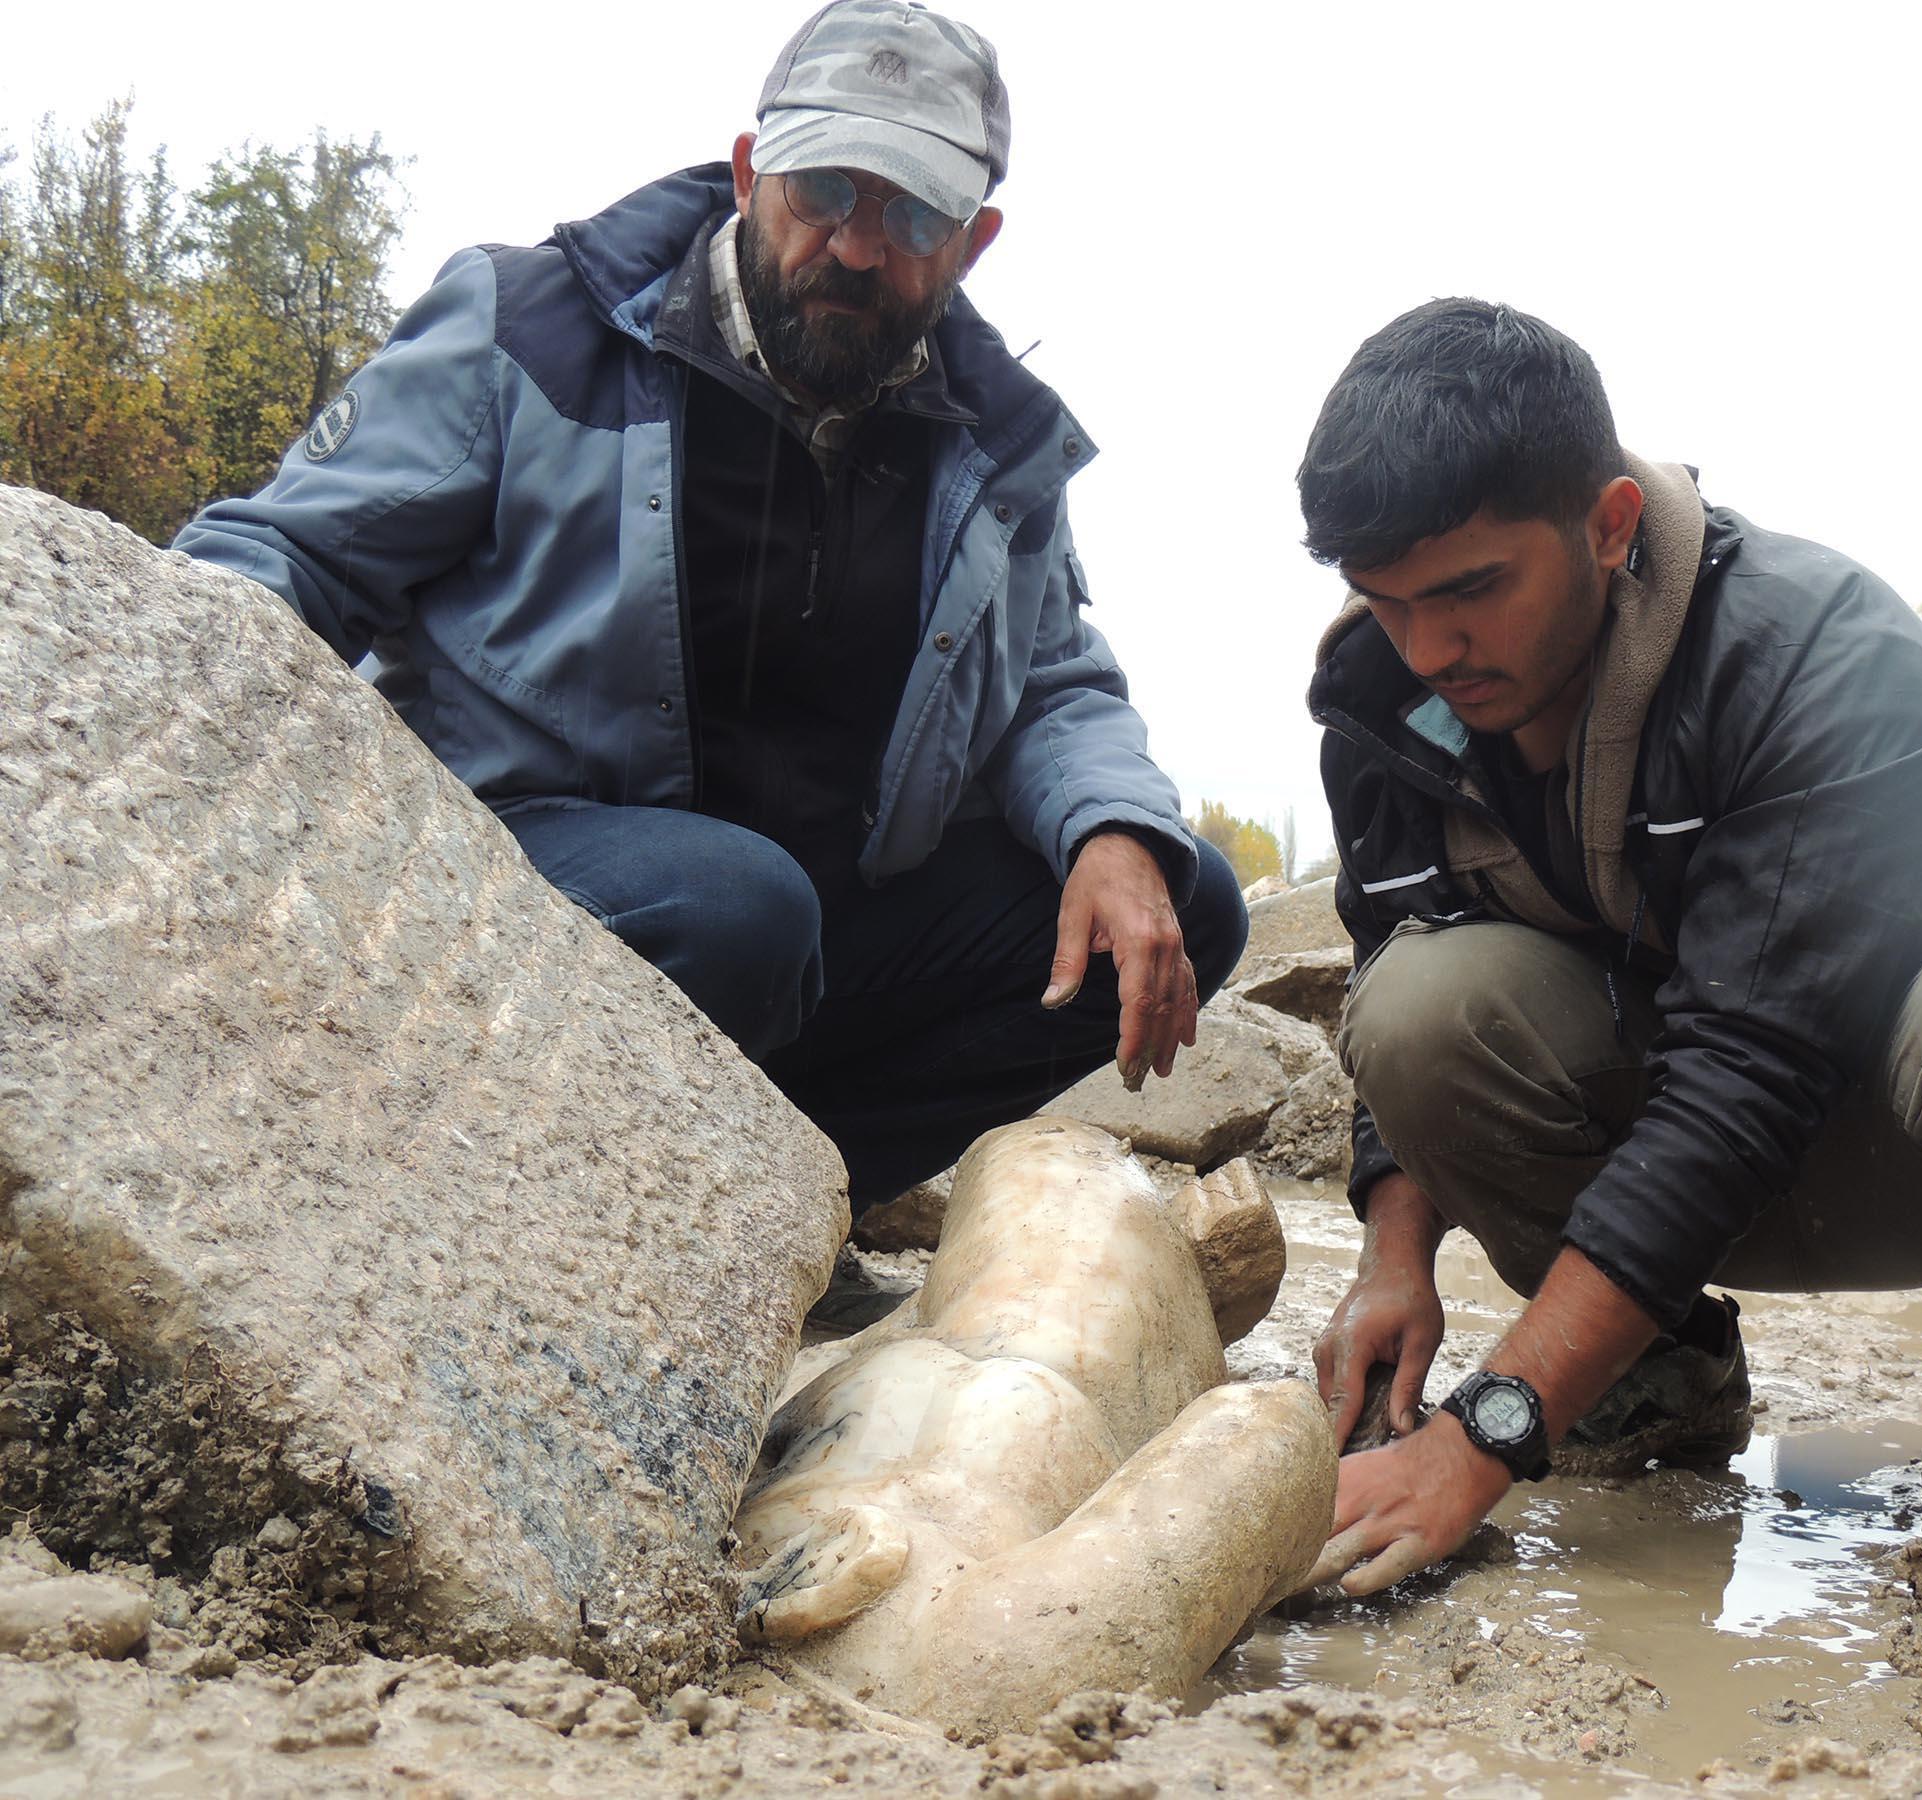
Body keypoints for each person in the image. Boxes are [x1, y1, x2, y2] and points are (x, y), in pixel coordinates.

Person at [174, 0, 1244, 1213]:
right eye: (825, 191)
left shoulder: (998, 446)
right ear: (751, 173)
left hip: (812, 937)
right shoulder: (527, 330)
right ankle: (508, 1186)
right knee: (737, 904)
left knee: (1186, 899)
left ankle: (782, 1206)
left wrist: (1114, 830)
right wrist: (158, 758)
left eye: (913, 215)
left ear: (974, 241)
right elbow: (283, 554)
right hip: (526, 880)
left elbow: (1052, 686)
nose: (855, 245)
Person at [1298, 300, 1922, 1595]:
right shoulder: (1393, 710)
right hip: (1675, 1162)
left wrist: (1488, 1433)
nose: (1429, 649)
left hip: (1913, 1146)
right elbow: (1393, 955)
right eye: (1385, 603)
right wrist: (1394, 1263)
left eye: (1471, 591)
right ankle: (1652, 1371)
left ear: (1609, 527)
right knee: (1411, 1007)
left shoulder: (1818, 652)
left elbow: (1747, 1077)